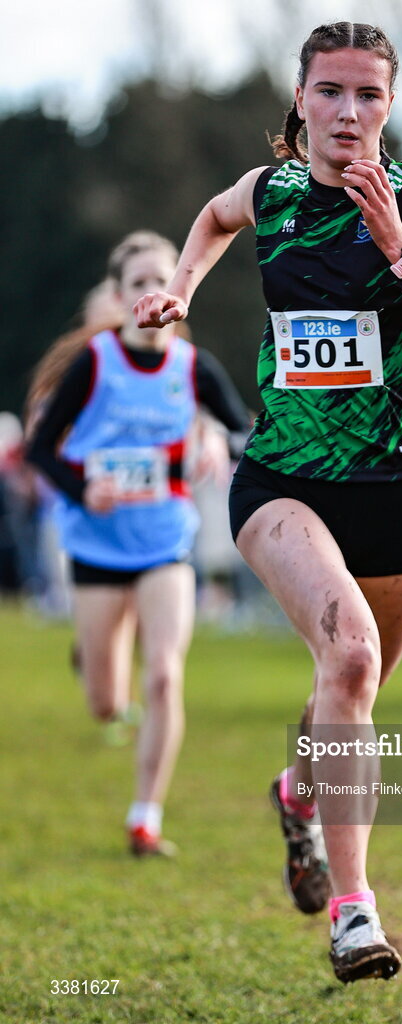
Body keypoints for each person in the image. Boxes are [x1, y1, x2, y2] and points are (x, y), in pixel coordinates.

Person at [135, 22, 402, 981]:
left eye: (369, 96)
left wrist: (399, 251)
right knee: (345, 658)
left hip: (397, 490)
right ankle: (356, 913)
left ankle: (298, 794)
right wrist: (179, 290)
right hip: (285, 482)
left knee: (349, 688)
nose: (350, 113)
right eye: (332, 92)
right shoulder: (272, 192)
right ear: (299, 99)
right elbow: (216, 219)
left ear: (389, 105)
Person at [26, 231, 251, 856]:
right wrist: (80, 487)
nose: (154, 291)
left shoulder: (194, 366)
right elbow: (41, 449)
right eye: (139, 283)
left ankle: (145, 815)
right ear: (120, 296)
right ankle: (98, 663)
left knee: (163, 677)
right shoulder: (95, 362)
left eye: (165, 277)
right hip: (97, 547)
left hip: (164, 543)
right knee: (106, 704)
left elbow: (244, 432)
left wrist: (213, 438)